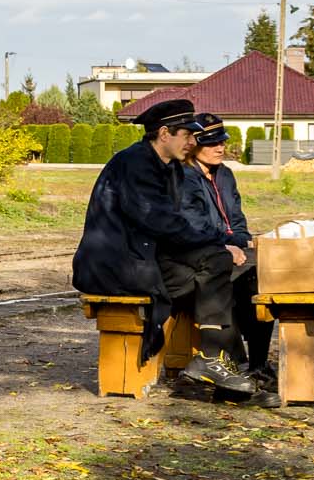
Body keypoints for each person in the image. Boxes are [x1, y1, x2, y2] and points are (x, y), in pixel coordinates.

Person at [74, 96, 259, 398]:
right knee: (213, 274)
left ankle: (225, 366)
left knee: (225, 269)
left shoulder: (169, 166)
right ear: (164, 134)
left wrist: (220, 248)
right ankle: (227, 370)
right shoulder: (134, 163)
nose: (192, 141)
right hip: (115, 264)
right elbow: (158, 221)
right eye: (187, 134)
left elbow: (172, 225)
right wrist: (219, 244)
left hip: (145, 254)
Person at [186, 113, 272, 375]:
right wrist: (228, 246)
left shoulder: (225, 175)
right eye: (212, 144)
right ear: (194, 145)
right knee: (236, 287)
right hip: (207, 255)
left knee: (265, 282)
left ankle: (257, 363)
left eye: (221, 142)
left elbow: (237, 219)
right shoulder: (184, 177)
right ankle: (240, 364)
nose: (220, 148)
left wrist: (244, 242)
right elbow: (198, 225)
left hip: (234, 250)